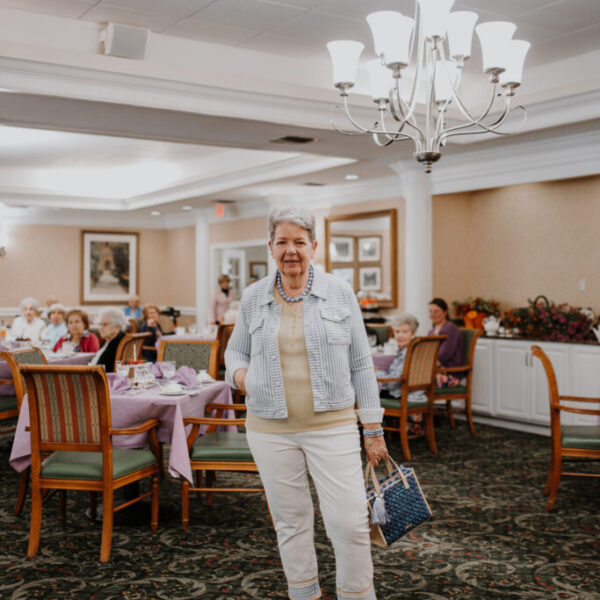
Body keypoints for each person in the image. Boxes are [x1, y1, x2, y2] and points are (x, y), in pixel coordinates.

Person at [226, 206, 387, 600]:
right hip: (269, 429)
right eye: (283, 242)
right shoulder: (253, 297)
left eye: (299, 242)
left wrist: (373, 429)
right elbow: (234, 354)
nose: (291, 250)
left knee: (348, 522)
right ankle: (304, 593)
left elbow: (361, 363)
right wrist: (242, 378)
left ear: (314, 247)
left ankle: (356, 595)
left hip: (331, 427)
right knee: (291, 522)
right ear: (270, 247)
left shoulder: (339, 292)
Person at [377, 313, 426, 435]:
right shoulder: (408, 349)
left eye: (405, 332)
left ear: (413, 334)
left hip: (403, 394)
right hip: (413, 393)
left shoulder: (407, 354)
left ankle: (369, 431)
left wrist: (375, 375)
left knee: (366, 394)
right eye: (397, 332)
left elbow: (394, 382)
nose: (400, 336)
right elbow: (394, 375)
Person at [428, 297, 464, 387]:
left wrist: (429, 364)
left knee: (418, 380)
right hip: (434, 370)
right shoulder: (431, 332)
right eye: (430, 311)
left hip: (450, 374)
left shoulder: (451, 328)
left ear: (445, 312)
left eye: (436, 311)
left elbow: (445, 353)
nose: (432, 314)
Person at [89, 307, 127, 372]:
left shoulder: (116, 343)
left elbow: (102, 368)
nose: (101, 328)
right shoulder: (108, 340)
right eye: (100, 324)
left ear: (118, 327)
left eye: (105, 324)